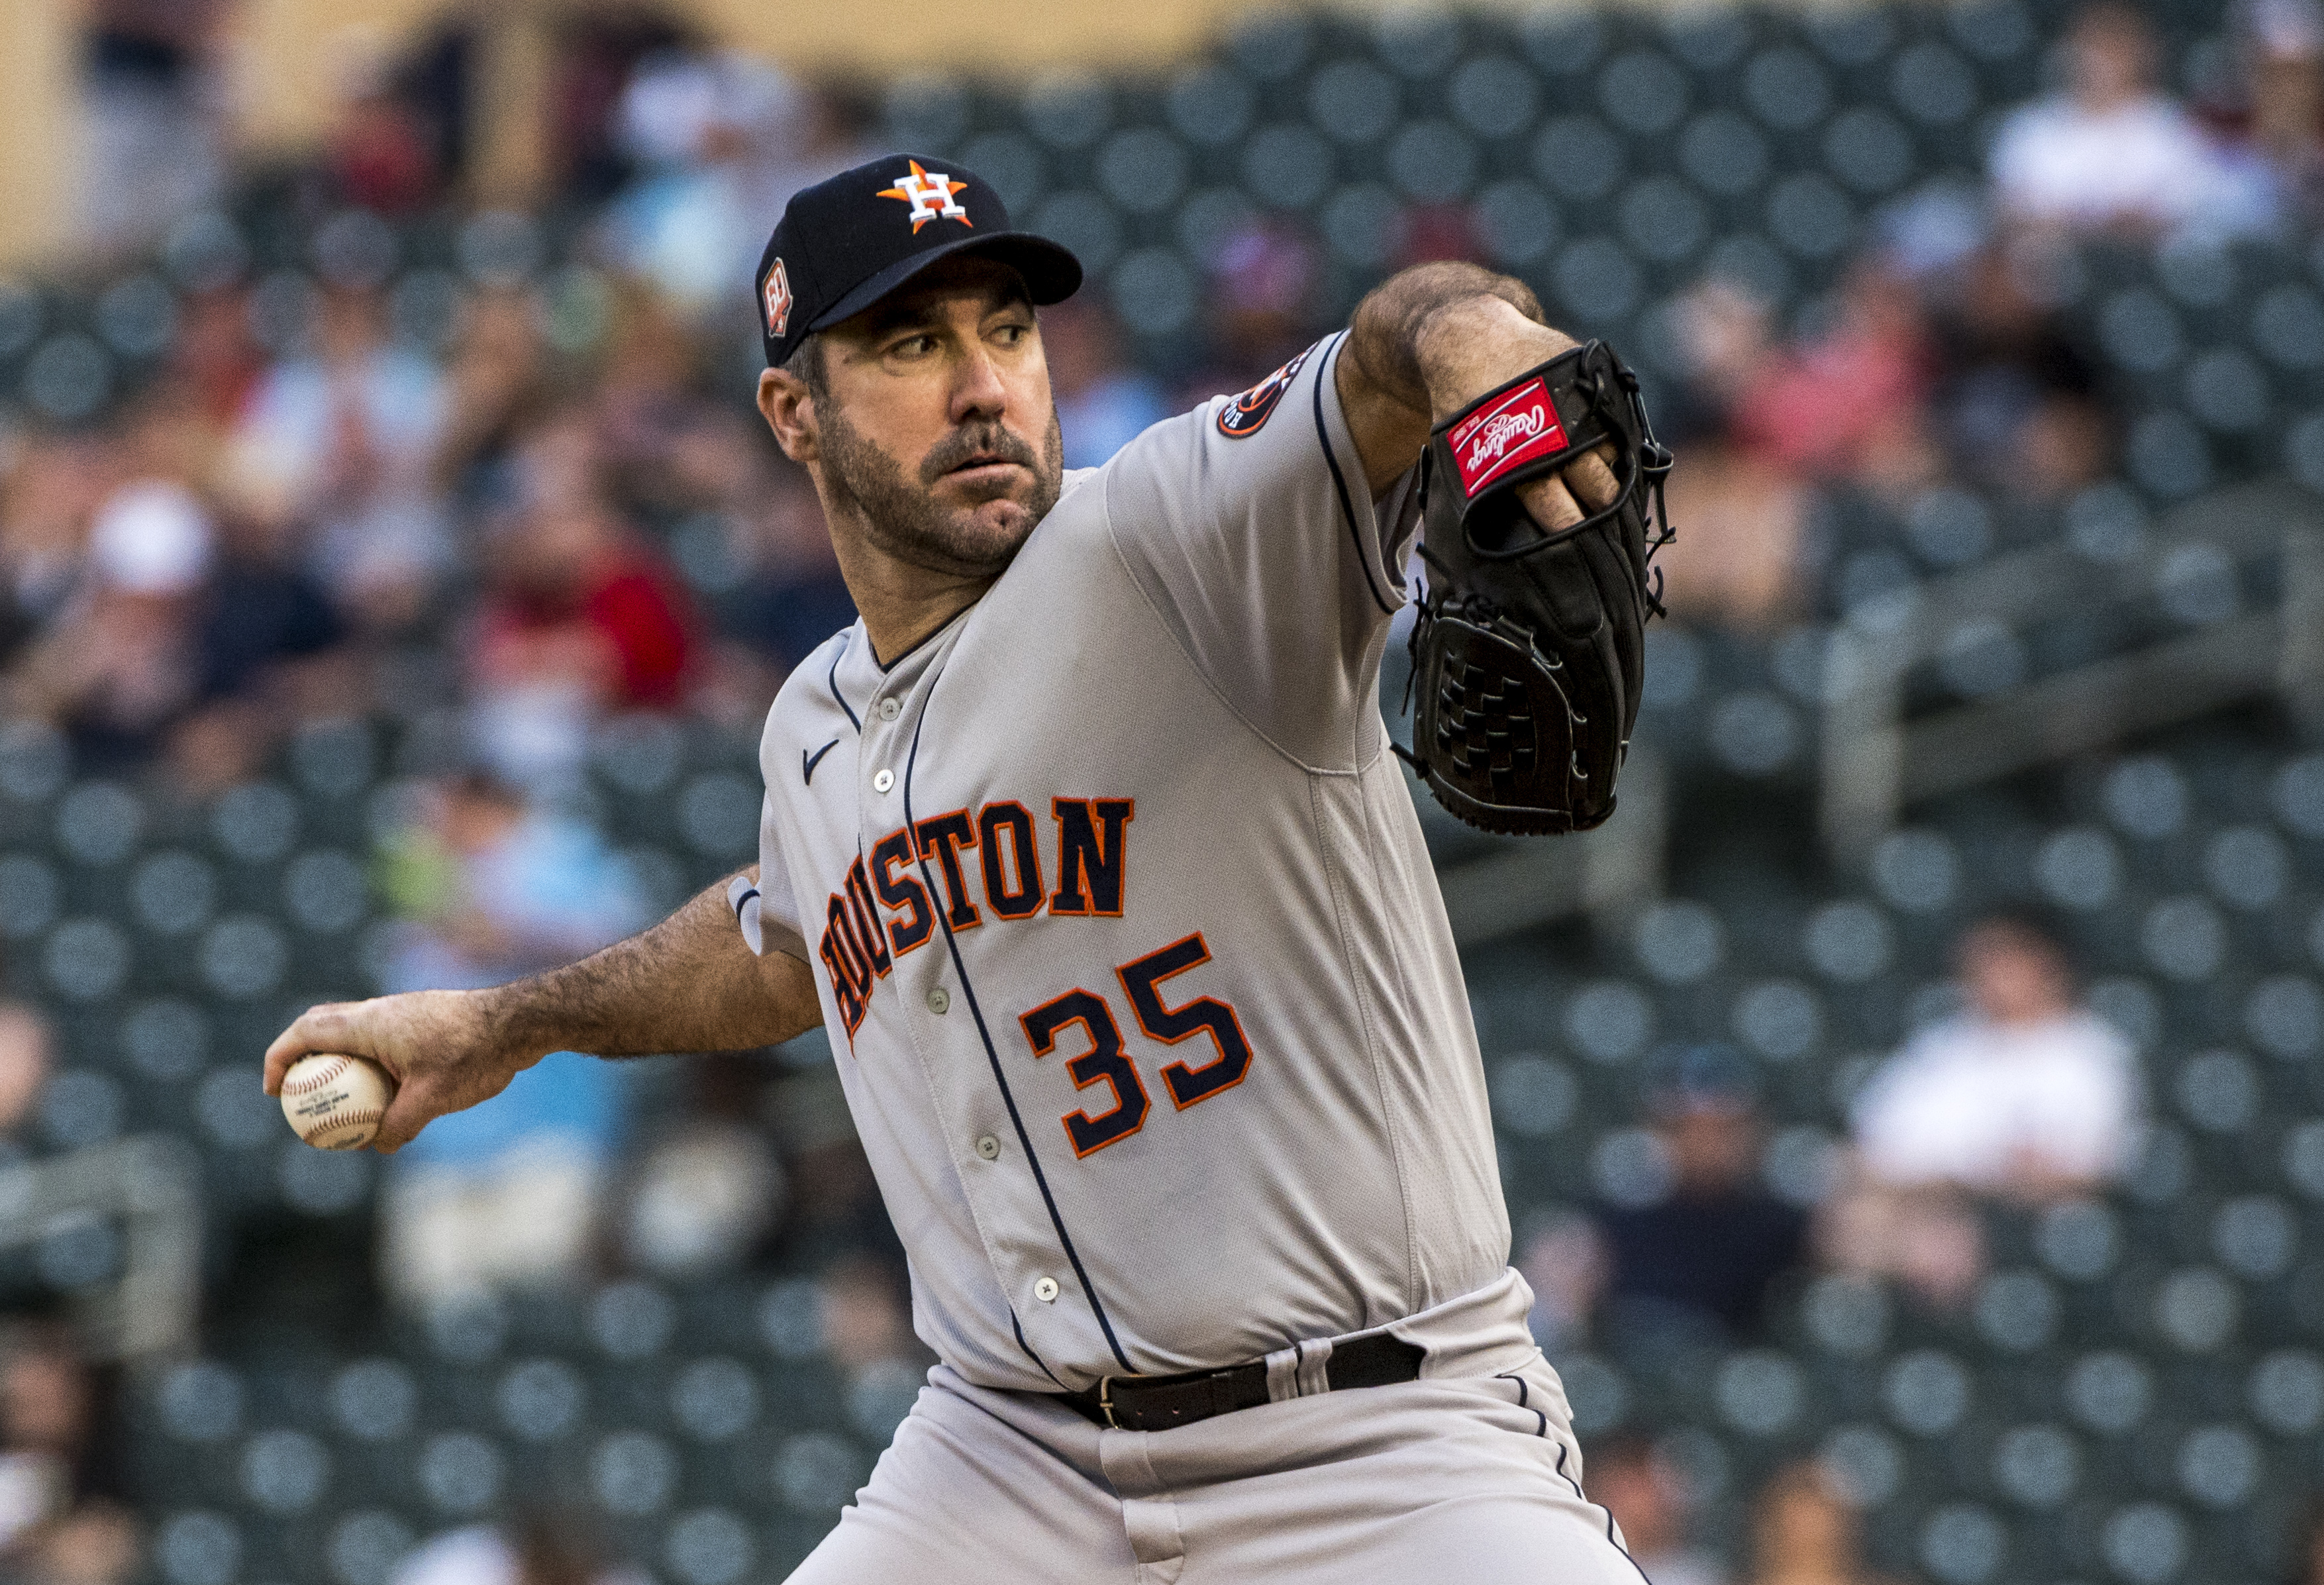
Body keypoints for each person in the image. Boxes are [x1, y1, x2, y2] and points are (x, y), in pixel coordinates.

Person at [268, 152, 1646, 1580]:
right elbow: (789, 938)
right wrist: (506, 1019)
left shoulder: (1175, 541)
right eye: (911, 342)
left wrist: (1467, 334)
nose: (983, 382)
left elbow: (1386, 349)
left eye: (1007, 328)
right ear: (791, 411)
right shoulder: (810, 721)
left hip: (1370, 1435)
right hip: (1011, 1460)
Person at [1825, 909, 2140, 1307]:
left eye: (2002, 958)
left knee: (1934, 1242)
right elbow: (1869, 1146)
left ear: (2046, 964)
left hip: (2012, 1230)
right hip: (1910, 1206)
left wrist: (1960, 1179)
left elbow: (2083, 1172)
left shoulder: (2088, 1053)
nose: (1985, 973)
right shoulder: (1944, 1044)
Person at [1591, 1046, 1809, 1350]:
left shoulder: (1783, 1228)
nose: (1705, 1143)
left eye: (1722, 1129)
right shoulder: (1616, 1222)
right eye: (1689, 1128)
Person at [1987, 3, 2235, 238]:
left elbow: (2191, 212)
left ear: (2143, 52)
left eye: (2116, 44)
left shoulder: (2175, 128)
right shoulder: (2028, 129)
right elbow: (2010, 216)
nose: (2102, 57)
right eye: (2092, 43)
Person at [1588, 1432, 1725, 1585]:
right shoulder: (1588, 1565)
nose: (1632, 1500)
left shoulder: (1701, 1574)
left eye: (1640, 1486)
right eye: (1623, 1487)